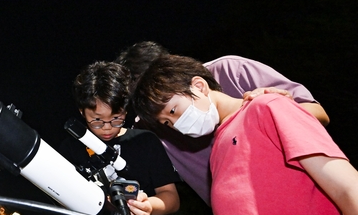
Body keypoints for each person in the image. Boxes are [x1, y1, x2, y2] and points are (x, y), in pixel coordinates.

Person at [131, 54, 358, 215]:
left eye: (173, 110)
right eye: (167, 122)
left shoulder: (267, 107)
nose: (177, 125)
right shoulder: (217, 150)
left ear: (199, 86)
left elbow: (348, 187)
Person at [116, 41, 329, 205]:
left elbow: (318, 114)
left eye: (169, 103)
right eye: (162, 117)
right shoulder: (149, 128)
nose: (173, 122)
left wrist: (272, 109)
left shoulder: (231, 70)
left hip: (309, 195)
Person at [58, 61, 184, 215]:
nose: (107, 128)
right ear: (82, 111)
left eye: (117, 118)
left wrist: (150, 206)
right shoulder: (69, 149)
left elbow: (171, 197)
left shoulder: (145, 141)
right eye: (97, 119)